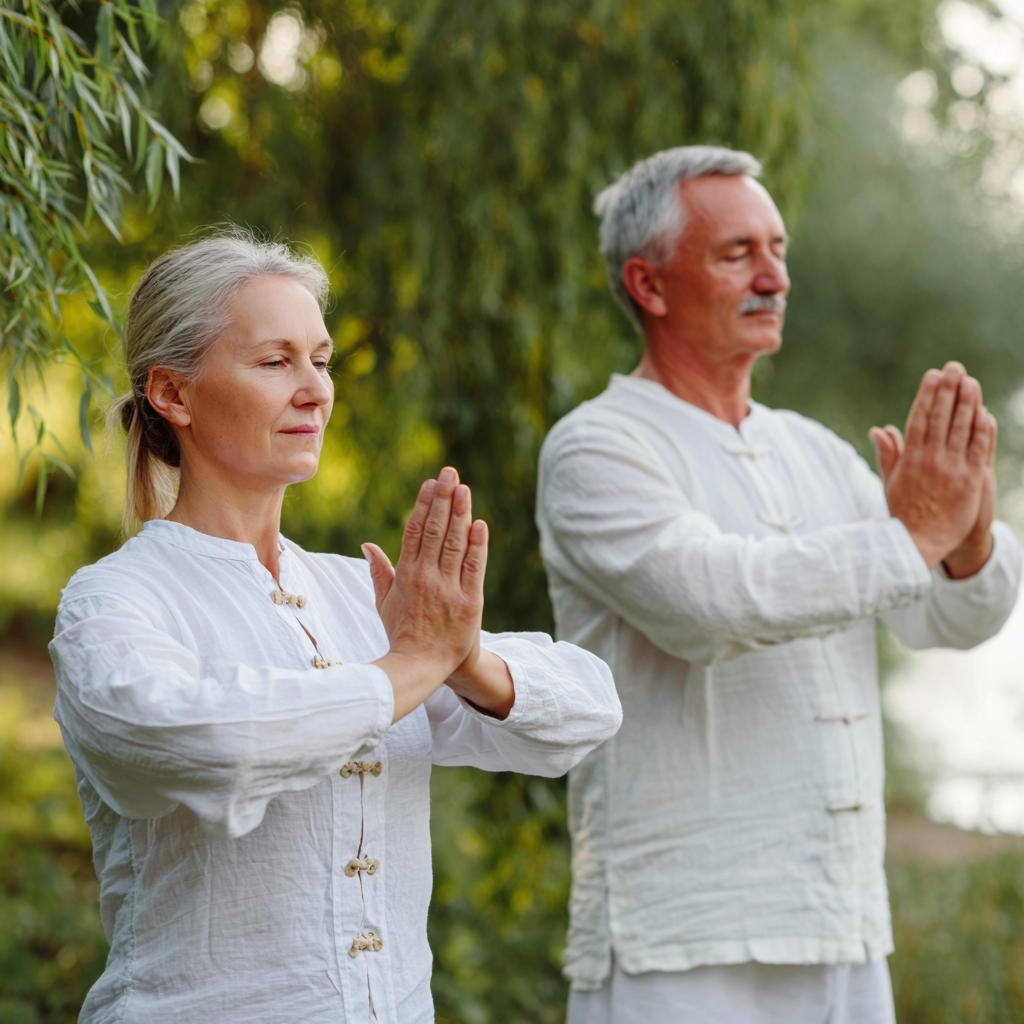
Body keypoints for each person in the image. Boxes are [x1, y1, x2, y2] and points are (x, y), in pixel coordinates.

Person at [49, 229, 622, 1024]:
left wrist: (463, 661)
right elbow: (208, 742)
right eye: (275, 361)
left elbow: (590, 712)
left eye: (320, 360)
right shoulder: (112, 602)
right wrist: (412, 665)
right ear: (172, 394)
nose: (315, 389)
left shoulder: (361, 594)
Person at [535, 146, 1021, 1024]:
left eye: (780, 250)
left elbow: (949, 622)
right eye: (738, 254)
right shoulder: (597, 446)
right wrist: (915, 532)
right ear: (648, 285)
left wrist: (968, 534)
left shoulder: (814, 450)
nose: (774, 277)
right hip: (680, 940)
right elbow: (714, 607)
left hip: (844, 926)